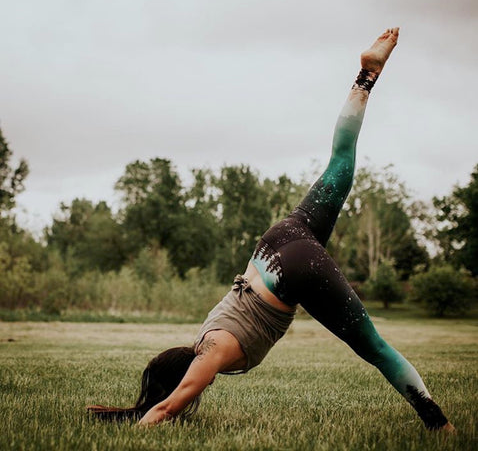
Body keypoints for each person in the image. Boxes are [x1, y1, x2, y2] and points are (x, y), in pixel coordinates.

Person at [88, 28, 454, 432]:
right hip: (278, 238)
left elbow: (164, 411)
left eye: (185, 388)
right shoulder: (207, 331)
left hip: (292, 270)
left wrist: (148, 416)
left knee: (377, 349)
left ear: (184, 377)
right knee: (339, 164)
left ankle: (440, 426)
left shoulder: (211, 351)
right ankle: (366, 77)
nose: (190, 393)